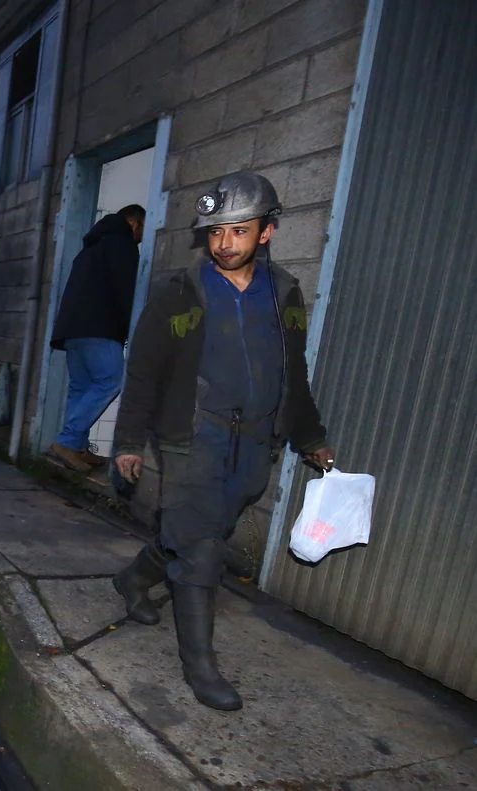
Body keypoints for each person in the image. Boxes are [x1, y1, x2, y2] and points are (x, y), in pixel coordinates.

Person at [110, 171, 334, 711]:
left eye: (237, 231)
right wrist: (129, 440)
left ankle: (132, 579)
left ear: (266, 232)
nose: (224, 243)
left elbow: (292, 370)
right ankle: (201, 669)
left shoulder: (284, 293)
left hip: (256, 442)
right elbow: (143, 371)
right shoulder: (178, 292)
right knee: (203, 552)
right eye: (215, 233)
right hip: (193, 436)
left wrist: (310, 436)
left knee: (195, 531)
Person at [49, 204, 146, 471]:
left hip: (72, 331)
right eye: (142, 230)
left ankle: (77, 445)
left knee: (80, 388)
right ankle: (68, 441)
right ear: (134, 223)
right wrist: (130, 328)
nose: (141, 237)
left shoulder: (91, 247)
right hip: (99, 328)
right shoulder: (122, 245)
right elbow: (125, 291)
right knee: (112, 380)